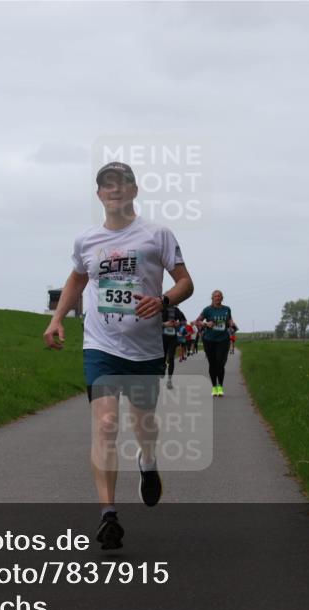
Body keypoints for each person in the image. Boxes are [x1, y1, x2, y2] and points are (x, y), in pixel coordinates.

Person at [43, 162, 193, 550]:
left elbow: (185, 283)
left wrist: (161, 302)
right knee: (107, 424)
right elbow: (77, 277)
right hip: (101, 346)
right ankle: (108, 515)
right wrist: (57, 319)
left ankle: (148, 462)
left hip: (144, 350)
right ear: (99, 195)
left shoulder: (157, 235)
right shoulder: (86, 240)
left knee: (144, 426)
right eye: (106, 185)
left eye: (121, 183)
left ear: (133, 190)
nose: (114, 190)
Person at [198, 290, 236, 397]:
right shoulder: (207, 310)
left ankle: (220, 387)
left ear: (222, 298)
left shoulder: (227, 309)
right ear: (212, 298)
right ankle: (214, 387)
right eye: (215, 296)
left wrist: (231, 324)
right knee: (212, 364)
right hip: (209, 340)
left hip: (223, 340)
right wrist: (206, 323)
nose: (217, 298)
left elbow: (229, 321)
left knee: (220, 363)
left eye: (219, 296)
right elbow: (198, 321)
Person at [161, 302, 187, 389]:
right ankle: (162, 367)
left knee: (171, 357)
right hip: (162, 337)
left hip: (173, 337)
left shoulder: (177, 310)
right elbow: (154, 322)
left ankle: (169, 380)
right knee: (162, 357)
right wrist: (164, 324)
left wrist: (178, 324)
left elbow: (184, 321)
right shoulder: (161, 309)